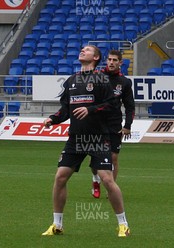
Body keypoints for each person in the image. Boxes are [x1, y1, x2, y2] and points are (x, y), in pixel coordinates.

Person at [41, 44, 130, 239]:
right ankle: (57, 225)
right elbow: (65, 109)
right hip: (76, 138)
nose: (83, 51)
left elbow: (111, 105)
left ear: (96, 57)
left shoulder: (102, 79)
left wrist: (90, 109)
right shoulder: (72, 80)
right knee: (60, 177)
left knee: (107, 179)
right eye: (82, 49)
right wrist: (53, 119)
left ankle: (123, 225)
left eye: (88, 50)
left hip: (98, 137)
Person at [91, 49, 135, 198]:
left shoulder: (124, 82)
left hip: (114, 124)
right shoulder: (97, 77)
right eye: (109, 59)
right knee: (95, 158)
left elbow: (130, 106)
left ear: (120, 63)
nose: (111, 62)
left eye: (115, 60)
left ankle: (111, 190)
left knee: (114, 158)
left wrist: (127, 126)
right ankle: (95, 179)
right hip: (96, 123)